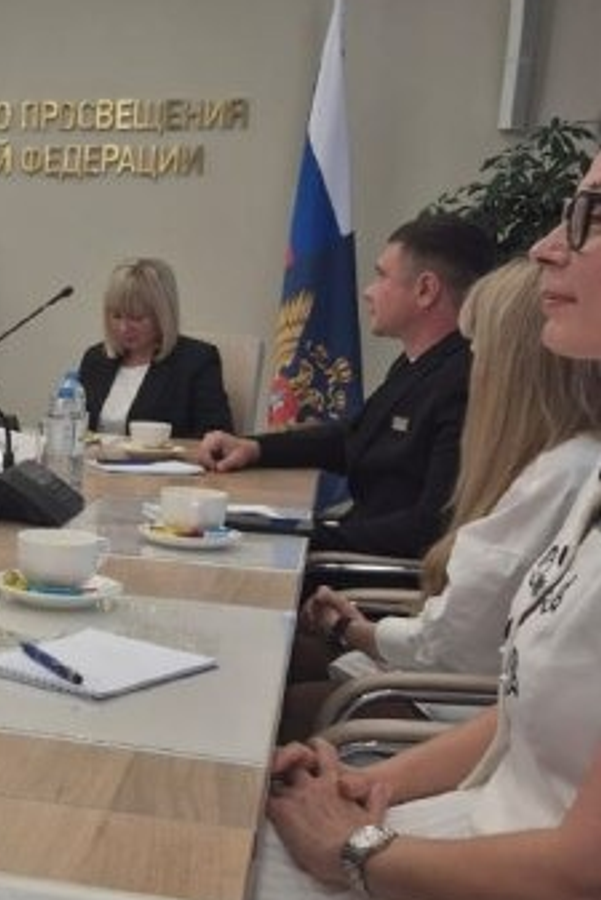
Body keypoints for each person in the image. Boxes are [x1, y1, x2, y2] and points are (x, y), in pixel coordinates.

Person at [253, 152, 601, 900]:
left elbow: (581, 871)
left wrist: (355, 849)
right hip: (471, 821)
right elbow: (520, 712)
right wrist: (366, 786)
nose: (546, 246)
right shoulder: (591, 483)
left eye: (592, 216)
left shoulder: (570, 470)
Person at [277, 259, 601, 741]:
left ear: (514, 367)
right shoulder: (558, 463)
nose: (470, 368)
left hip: (447, 703)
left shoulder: (559, 475)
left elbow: (452, 643)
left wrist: (349, 629)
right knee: (275, 655)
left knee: (267, 700)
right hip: (434, 675)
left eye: (477, 349)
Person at [197, 215, 496, 557]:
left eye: (382, 276)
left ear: (425, 290)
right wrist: (254, 448)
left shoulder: (463, 383)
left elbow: (428, 528)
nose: (368, 291)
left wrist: (304, 537)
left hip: (372, 568)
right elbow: (354, 438)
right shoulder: (417, 364)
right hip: (352, 543)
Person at [75, 257, 233, 438]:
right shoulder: (96, 359)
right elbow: (74, 427)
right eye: (117, 316)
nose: (124, 328)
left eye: (137, 318)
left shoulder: (196, 361)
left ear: (163, 315)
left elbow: (217, 439)